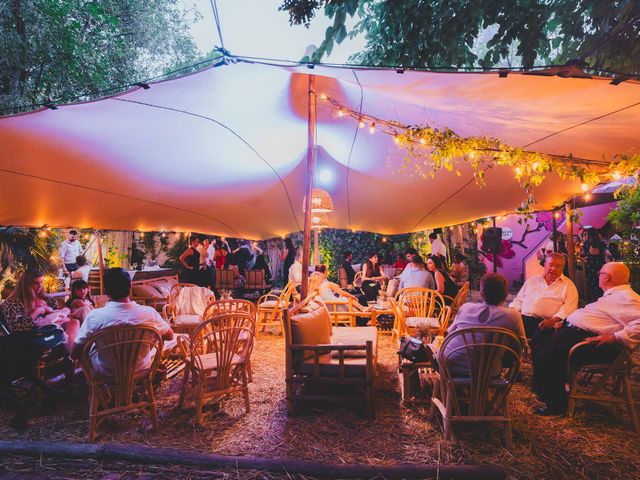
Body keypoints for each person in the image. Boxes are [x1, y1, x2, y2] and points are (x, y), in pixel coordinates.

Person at [531, 262, 640, 415]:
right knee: (539, 337)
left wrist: (614, 337)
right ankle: (552, 389)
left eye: (600, 273)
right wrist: (566, 322)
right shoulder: (616, 295)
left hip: (591, 344)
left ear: (606, 277)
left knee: (547, 355)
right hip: (575, 335)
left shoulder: (627, 298)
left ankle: (556, 404)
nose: (599, 276)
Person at [71, 268, 173, 376]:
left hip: (105, 373)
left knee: (86, 348)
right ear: (130, 286)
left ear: (105, 290)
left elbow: (75, 353)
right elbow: (170, 335)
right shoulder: (149, 313)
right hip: (139, 371)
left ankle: (94, 388)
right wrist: (148, 343)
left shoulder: (95, 316)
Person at [439, 273, 526, 375]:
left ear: (481, 293)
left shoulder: (466, 308)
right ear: (506, 294)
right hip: (488, 372)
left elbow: (449, 333)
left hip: (449, 365)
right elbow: (521, 345)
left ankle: (452, 389)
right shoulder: (513, 316)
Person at [0, 269, 80, 352]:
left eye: (41, 282)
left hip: (49, 328)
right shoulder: (13, 301)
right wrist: (37, 311)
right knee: (73, 323)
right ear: (26, 284)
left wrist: (62, 314)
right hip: (30, 334)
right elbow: (17, 327)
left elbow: (55, 311)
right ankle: (71, 358)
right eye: (36, 283)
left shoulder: (45, 298)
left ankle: (72, 357)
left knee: (75, 322)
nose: (40, 286)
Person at [509, 253, 578, 339]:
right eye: (551, 265)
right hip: (521, 319)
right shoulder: (532, 280)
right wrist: (511, 311)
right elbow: (518, 300)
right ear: (545, 265)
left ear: (563, 268)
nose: (553, 269)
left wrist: (554, 320)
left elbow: (569, 308)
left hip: (545, 323)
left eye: (558, 266)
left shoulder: (569, 286)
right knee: (503, 332)